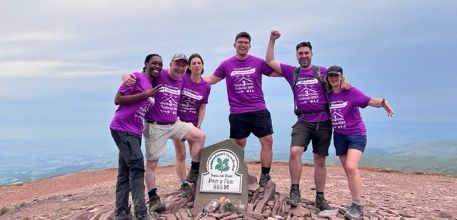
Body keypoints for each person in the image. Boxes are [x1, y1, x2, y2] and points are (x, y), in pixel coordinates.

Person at [266, 30, 345, 210]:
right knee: (295, 151)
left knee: (319, 159)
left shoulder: (322, 72)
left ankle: (320, 197)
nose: (303, 56)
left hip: (324, 121)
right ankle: (295, 190)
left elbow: (338, 80)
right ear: (297, 55)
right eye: (300, 53)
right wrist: (272, 40)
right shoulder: (292, 72)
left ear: (311, 54)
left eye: (306, 53)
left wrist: (346, 84)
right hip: (303, 120)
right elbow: (270, 61)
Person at [205, 32, 275, 187]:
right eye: (240, 42)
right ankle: (237, 172)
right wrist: (190, 78)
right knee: (239, 143)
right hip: (238, 111)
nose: (242, 45)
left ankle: (265, 175)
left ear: (249, 45)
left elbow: (276, 71)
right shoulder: (226, 64)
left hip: (258, 108)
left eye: (245, 42)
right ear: (234, 45)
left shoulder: (257, 62)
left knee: (267, 141)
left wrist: (295, 74)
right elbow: (211, 80)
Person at [325, 65, 393, 219]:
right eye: (331, 76)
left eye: (336, 76)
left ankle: (357, 205)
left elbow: (369, 100)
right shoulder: (328, 95)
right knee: (349, 171)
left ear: (342, 77)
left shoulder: (351, 92)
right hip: (339, 136)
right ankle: (354, 203)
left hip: (356, 134)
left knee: (351, 166)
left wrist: (382, 102)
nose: (333, 78)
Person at [141, 53, 206, 212]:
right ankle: (153, 197)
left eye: (184, 65)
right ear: (170, 64)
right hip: (156, 126)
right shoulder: (160, 74)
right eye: (177, 64)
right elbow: (139, 76)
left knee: (200, 136)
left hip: (174, 123)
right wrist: (126, 77)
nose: (180, 68)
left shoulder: (182, 79)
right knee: (152, 163)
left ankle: (194, 171)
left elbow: (201, 80)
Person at [109, 54, 163, 220]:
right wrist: (145, 94)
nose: (157, 66)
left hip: (134, 131)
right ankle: (141, 214)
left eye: (160, 64)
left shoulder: (151, 83)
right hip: (122, 128)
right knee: (138, 167)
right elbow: (118, 99)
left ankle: (122, 213)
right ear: (146, 64)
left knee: (125, 172)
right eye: (154, 63)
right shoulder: (137, 77)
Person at [172, 53, 211, 196]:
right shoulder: (183, 80)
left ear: (202, 65)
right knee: (181, 154)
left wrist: (199, 124)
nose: (196, 65)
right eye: (193, 63)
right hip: (177, 122)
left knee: (196, 151)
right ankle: (183, 183)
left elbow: (202, 107)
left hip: (193, 123)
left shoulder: (205, 86)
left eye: (199, 63)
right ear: (189, 66)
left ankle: (194, 176)